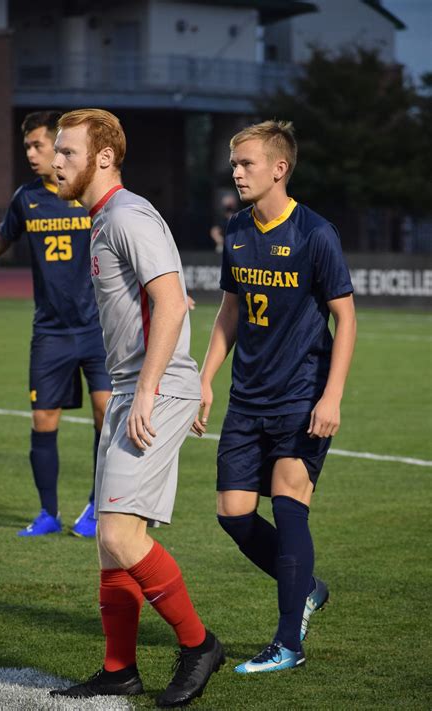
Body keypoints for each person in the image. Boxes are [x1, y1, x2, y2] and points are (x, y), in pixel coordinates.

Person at [49, 109, 224, 706]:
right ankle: (120, 668)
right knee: (110, 541)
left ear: (103, 157)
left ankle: (200, 644)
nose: (55, 162)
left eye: (68, 152)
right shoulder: (102, 221)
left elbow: (173, 304)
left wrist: (149, 390)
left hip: (152, 391)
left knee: (122, 535)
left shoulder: (128, 213)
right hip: (131, 390)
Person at [192, 120, 356, 674]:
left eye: (247, 163)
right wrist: (206, 378)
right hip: (247, 398)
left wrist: (330, 396)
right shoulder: (237, 230)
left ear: (279, 168)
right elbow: (230, 310)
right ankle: (307, 586)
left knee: (289, 506)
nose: (237, 172)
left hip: (302, 396)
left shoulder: (315, 233)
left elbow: (346, 318)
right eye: (234, 164)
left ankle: (289, 642)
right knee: (233, 515)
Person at [0, 111, 112, 538]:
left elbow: (129, 241)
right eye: (27, 146)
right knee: (43, 419)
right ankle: (48, 513)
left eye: (39, 145)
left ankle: (98, 507)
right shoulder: (26, 199)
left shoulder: (90, 195)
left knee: (106, 414)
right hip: (50, 333)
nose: (31, 153)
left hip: (99, 330)